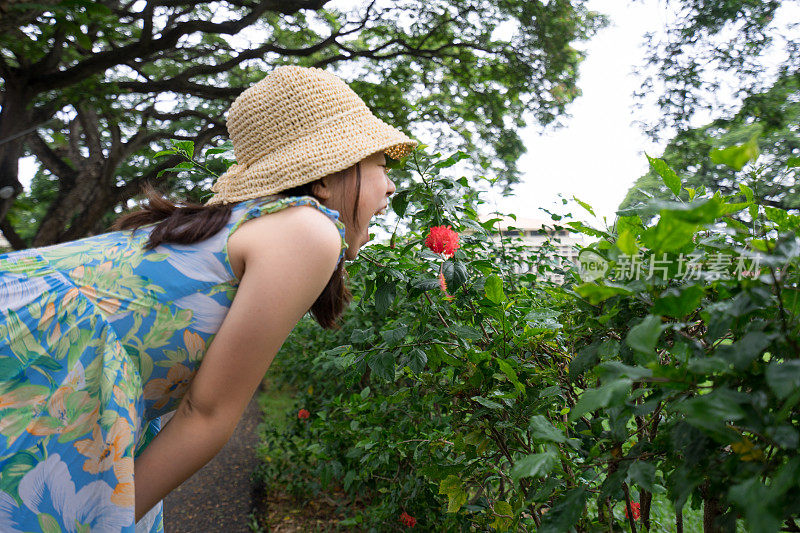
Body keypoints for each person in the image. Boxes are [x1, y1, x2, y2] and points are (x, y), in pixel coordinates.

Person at [0, 65, 416, 533]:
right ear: (327, 177)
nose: (391, 185)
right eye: (381, 165)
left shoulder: (251, 222)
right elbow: (206, 412)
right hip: (31, 346)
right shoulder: (309, 230)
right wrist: (101, 523)